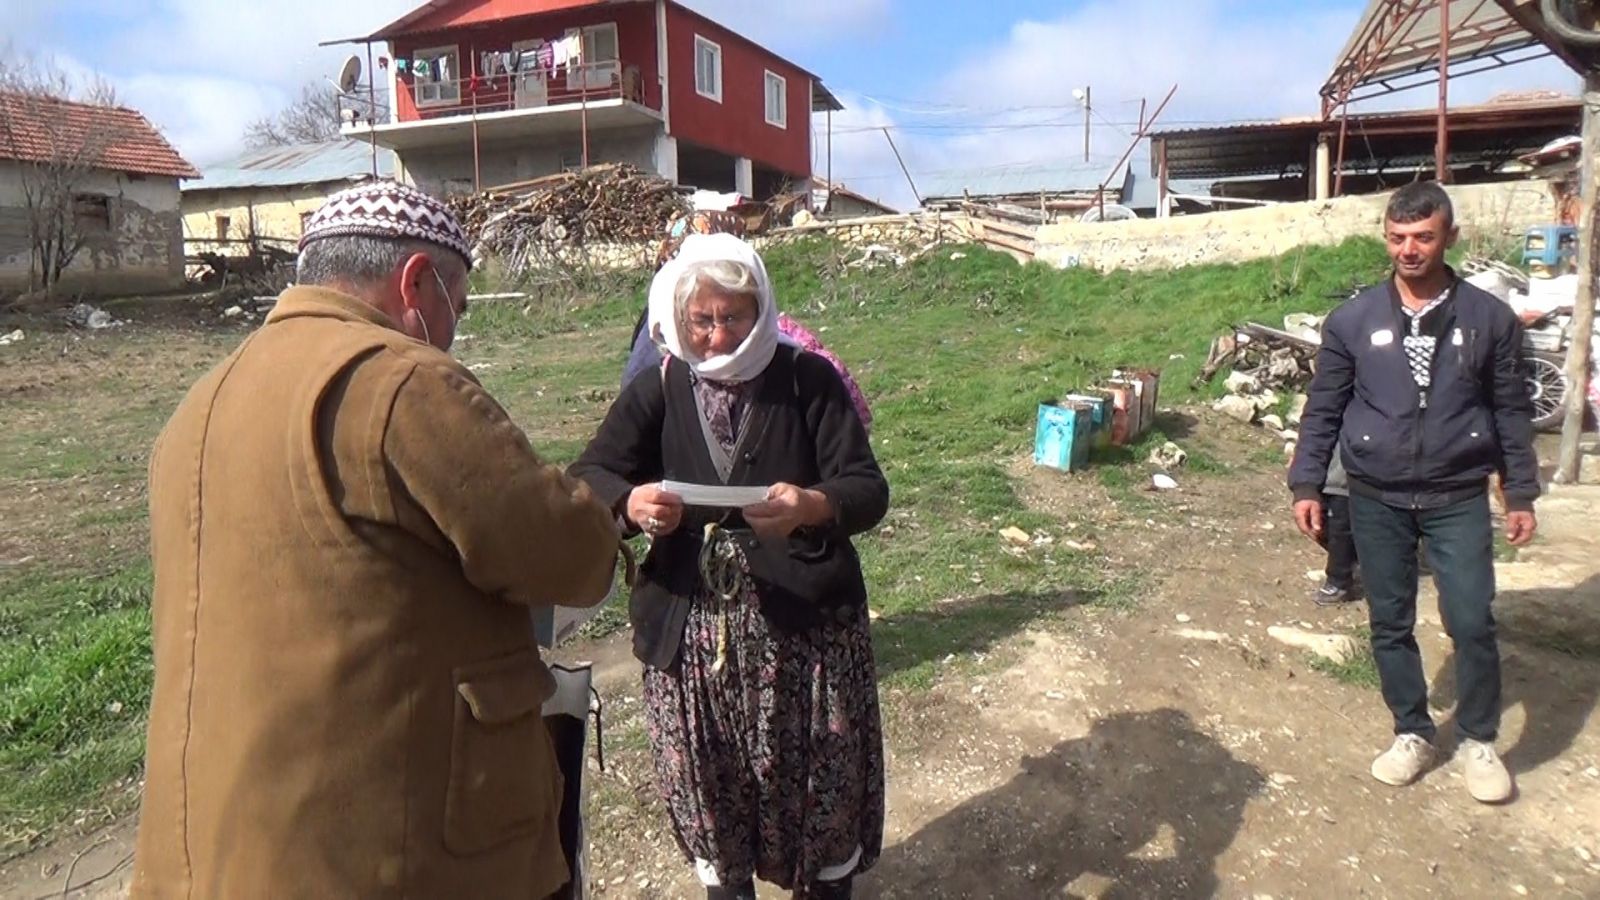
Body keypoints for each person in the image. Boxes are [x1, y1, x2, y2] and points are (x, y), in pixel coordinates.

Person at [130, 181, 624, 898]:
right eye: (457, 304)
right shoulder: (403, 382)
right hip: (388, 855)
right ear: (416, 283)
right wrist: (604, 518)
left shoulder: (197, 407)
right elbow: (565, 556)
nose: (453, 331)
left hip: (213, 853)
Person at [570, 234, 889, 899]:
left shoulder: (807, 380)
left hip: (805, 643)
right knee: (714, 794)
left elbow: (866, 487)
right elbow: (590, 474)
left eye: (733, 317)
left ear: (761, 310)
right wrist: (630, 503)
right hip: (693, 642)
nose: (716, 336)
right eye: (701, 320)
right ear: (679, 317)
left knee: (819, 790)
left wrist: (810, 506)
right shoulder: (662, 385)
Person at [1289, 181, 1539, 804]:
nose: (1409, 249)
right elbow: (1324, 408)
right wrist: (1307, 482)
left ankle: (1478, 739)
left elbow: (1510, 410)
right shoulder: (1353, 321)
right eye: (1397, 237)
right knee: (1389, 620)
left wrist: (1520, 491)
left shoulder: (1489, 319)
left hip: (1458, 494)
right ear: (1386, 239)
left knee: (1472, 617)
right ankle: (1412, 732)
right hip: (1376, 495)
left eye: (1423, 237)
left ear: (1449, 237)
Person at [1314, 450, 1360, 606]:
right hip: (1330, 476)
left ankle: (1339, 581)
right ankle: (1349, 566)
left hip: (1354, 480)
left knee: (1341, 530)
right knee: (1326, 527)